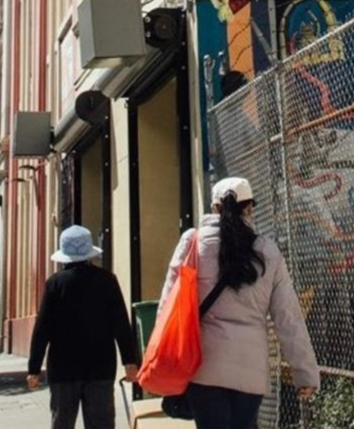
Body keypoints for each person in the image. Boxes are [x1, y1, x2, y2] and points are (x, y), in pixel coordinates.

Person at [159, 177, 320, 429]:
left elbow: (168, 305)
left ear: (215, 208)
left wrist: (161, 357)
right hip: (251, 370)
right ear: (250, 208)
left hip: (203, 365)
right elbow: (288, 317)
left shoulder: (192, 243)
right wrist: (305, 372)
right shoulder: (268, 251)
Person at [28, 225, 138, 429]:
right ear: (90, 254)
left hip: (63, 369)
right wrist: (130, 360)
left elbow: (42, 328)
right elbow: (120, 323)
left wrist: (34, 368)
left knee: (62, 422)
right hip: (100, 367)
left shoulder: (55, 283)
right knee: (101, 424)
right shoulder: (107, 280)